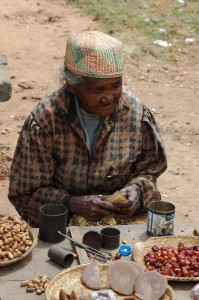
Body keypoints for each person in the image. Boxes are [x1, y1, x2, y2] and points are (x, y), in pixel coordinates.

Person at [8, 30, 167, 227]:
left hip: (120, 224)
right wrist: (70, 203)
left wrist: (137, 190)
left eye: (116, 86)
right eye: (98, 90)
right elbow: (25, 193)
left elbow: (150, 171)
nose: (109, 98)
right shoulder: (46, 120)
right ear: (72, 86)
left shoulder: (134, 114)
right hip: (63, 226)